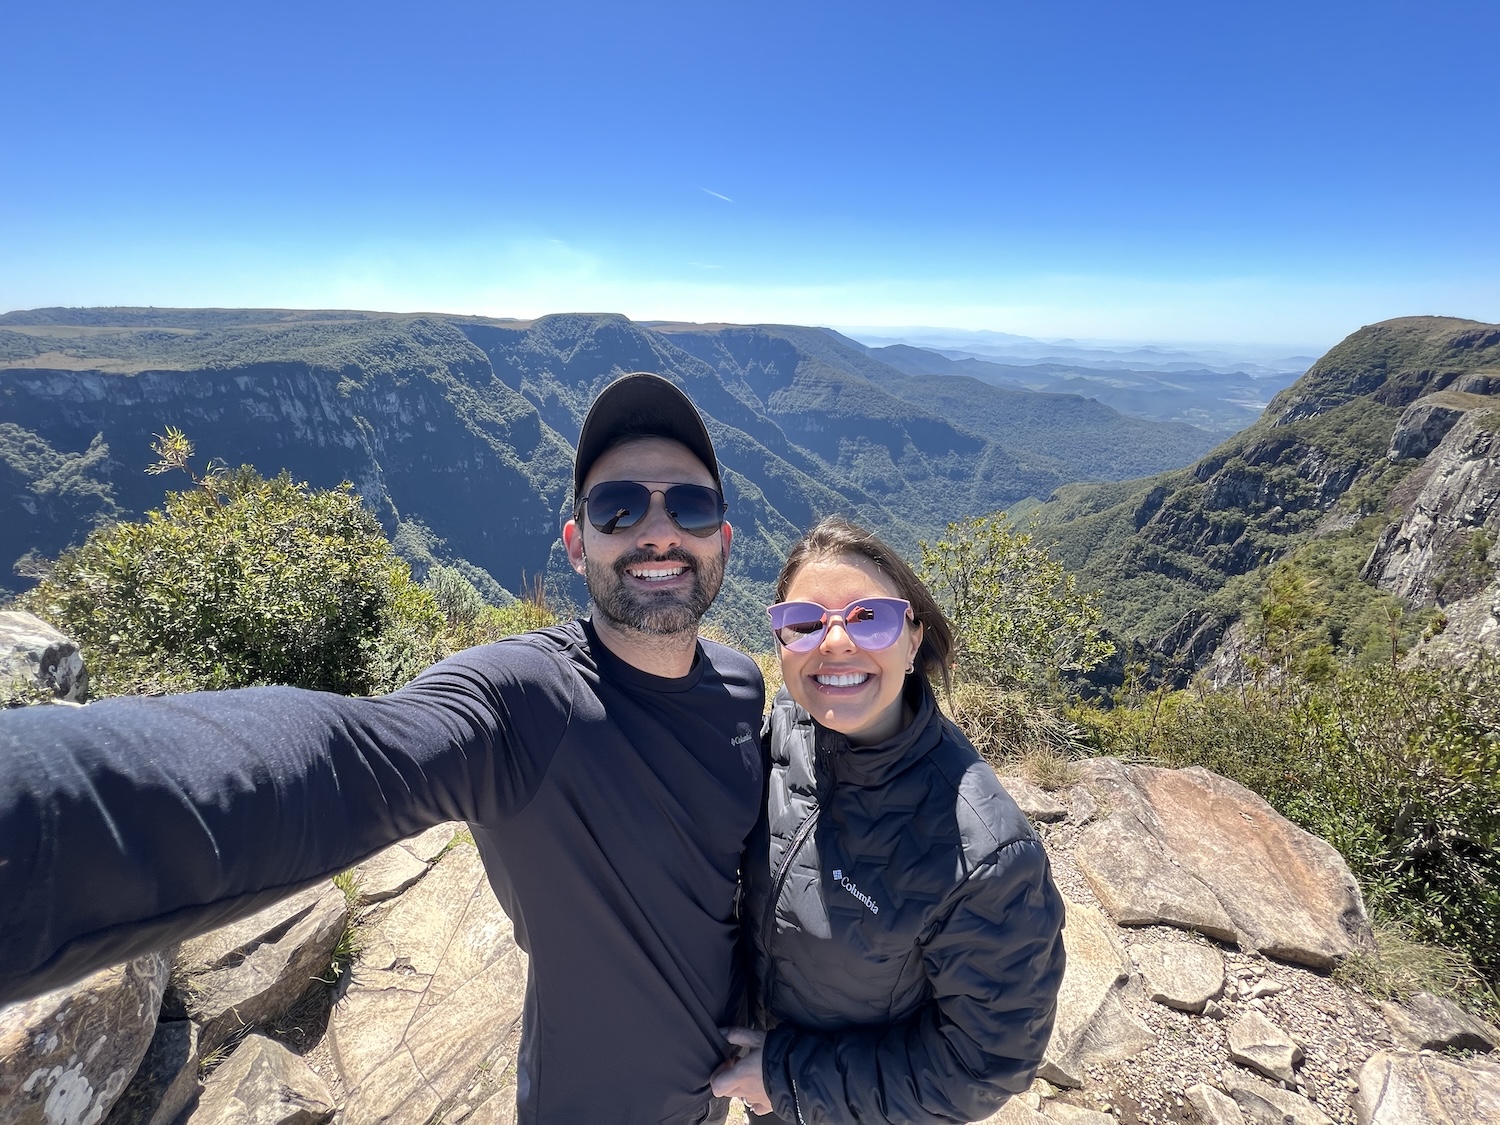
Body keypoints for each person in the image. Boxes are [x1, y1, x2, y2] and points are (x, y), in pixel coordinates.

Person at [0, 372, 765, 1125]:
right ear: (576, 544)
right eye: (619, 505)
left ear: (723, 539)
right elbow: (346, 755)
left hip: (719, 1080)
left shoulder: (741, 685)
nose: (659, 531)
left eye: (690, 506)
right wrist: (32, 808)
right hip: (589, 1098)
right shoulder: (528, 702)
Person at [711, 516, 1067, 1123]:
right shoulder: (787, 730)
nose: (834, 643)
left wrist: (787, 1077)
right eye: (802, 624)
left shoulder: (986, 856)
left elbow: (986, 1065)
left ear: (913, 637)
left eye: (867, 617)